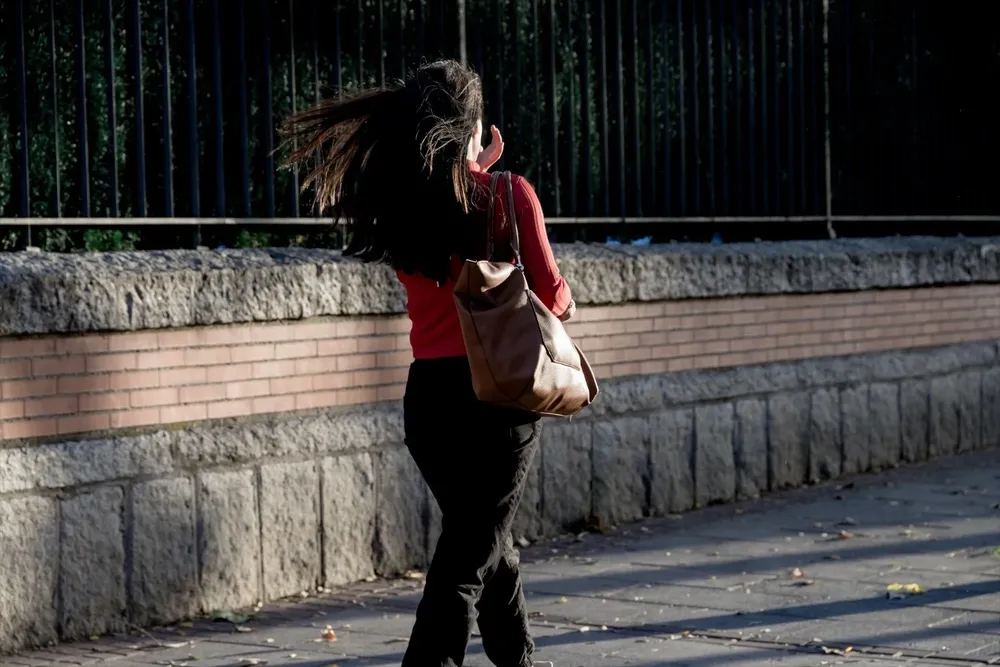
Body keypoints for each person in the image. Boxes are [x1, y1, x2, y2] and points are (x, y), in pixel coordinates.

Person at [281, 59, 573, 667]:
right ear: (470, 127)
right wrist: (487, 181)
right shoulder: (510, 195)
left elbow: (451, 205)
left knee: (486, 541)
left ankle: (517, 661)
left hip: (431, 406)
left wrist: (470, 174)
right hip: (500, 400)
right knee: (468, 556)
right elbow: (551, 299)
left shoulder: (403, 204)